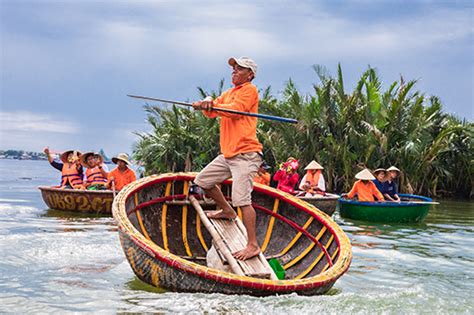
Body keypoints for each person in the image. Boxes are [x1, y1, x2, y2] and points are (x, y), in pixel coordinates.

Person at [192, 56, 262, 261]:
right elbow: (214, 112)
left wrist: (213, 105)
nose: (235, 72)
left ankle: (252, 245)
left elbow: (236, 111)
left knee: (242, 200)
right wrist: (206, 106)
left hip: (246, 154)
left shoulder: (250, 90)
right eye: (234, 69)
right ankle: (226, 210)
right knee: (203, 181)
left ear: (250, 74)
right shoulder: (228, 93)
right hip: (229, 154)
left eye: (240, 69)